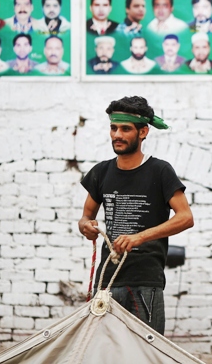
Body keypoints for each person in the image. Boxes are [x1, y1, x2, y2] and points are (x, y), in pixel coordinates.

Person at [78, 96, 194, 335]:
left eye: (125, 129)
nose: (117, 135)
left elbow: (185, 217)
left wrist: (139, 238)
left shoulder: (160, 171)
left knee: (146, 354)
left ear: (143, 132)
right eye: (113, 128)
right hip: (107, 279)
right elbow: (85, 216)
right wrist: (85, 226)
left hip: (146, 281)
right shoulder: (101, 172)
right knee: (106, 352)